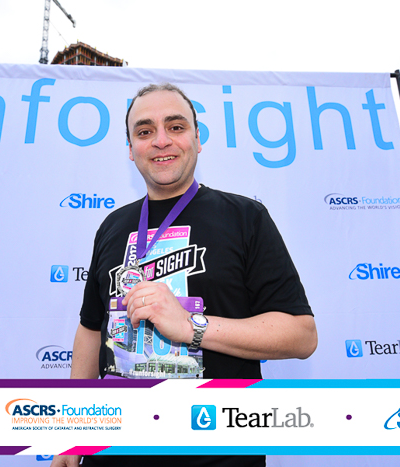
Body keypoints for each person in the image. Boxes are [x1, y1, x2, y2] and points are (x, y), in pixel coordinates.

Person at [52, 83, 317, 467]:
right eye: (145, 131)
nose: (161, 140)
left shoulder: (245, 218)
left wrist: (191, 327)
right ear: (131, 149)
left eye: (175, 127)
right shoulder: (112, 226)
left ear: (197, 138)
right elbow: (92, 329)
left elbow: (301, 336)